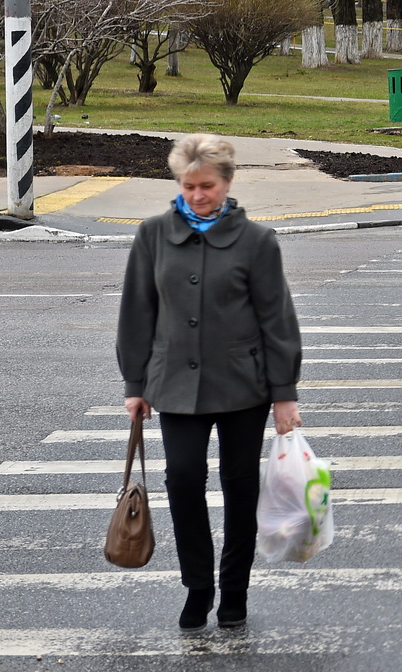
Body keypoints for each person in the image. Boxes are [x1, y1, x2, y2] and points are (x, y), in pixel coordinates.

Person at [116, 134, 303, 633]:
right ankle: (198, 586)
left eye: (208, 186)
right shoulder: (152, 235)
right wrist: (135, 384)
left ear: (227, 183)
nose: (198, 195)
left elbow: (277, 320)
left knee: (239, 486)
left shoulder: (257, 242)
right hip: (173, 383)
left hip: (244, 385)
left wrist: (284, 395)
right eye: (189, 185)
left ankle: (234, 589)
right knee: (181, 479)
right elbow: (137, 312)